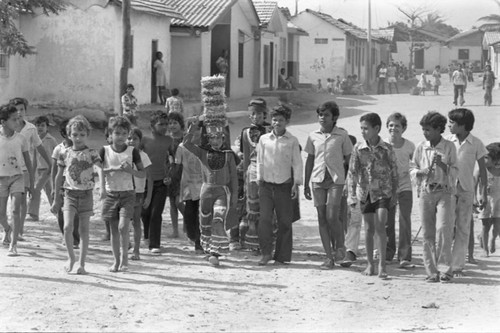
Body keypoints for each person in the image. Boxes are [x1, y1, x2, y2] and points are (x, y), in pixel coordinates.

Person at [347, 113, 398, 279]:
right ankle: (370, 264)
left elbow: (394, 173)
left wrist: (395, 194)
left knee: (381, 225)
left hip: (383, 192)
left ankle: (382, 265)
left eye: (366, 128)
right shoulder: (358, 149)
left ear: (376, 129)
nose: (363, 131)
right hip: (365, 193)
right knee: (368, 228)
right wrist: (351, 194)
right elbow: (353, 172)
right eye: (361, 128)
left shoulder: (387, 149)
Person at [304, 101, 353, 269]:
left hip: (336, 180)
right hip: (317, 180)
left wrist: (349, 182)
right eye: (320, 115)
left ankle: (340, 248)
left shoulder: (342, 135)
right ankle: (329, 257)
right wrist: (305, 184)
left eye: (326, 115)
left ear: (335, 118)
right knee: (322, 218)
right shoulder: (312, 136)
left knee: (333, 216)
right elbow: (310, 159)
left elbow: (349, 159)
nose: (322, 118)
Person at [410, 111, 458, 283]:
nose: (425, 133)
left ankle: (445, 269)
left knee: (443, 229)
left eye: (428, 129)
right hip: (426, 192)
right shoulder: (421, 147)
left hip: (445, 192)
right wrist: (420, 172)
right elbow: (412, 168)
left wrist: (443, 166)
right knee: (428, 233)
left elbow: (455, 171)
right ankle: (431, 271)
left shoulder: (449, 147)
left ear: (439, 129)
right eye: (423, 129)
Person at [182, 121, 238, 266]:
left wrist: (235, 197)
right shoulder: (202, 152)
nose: (216, 141)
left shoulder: (229, 155)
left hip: (221, 192)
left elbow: (233, 178)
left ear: (223, 139)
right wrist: (194, 127)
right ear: (208, 139)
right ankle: (209, 251)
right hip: (206, 191)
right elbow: (187, 143)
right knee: (205, 223)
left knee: (218, 219)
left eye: (219, 138)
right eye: (212, 138)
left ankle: (216, 252)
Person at [50, 115, 101, 274]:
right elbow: (59, 176)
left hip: (86, 195)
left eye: (82, 134)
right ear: (68, 134)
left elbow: (99, 168)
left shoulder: (92, 153)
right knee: (67, 227)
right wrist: (56, 198)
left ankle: (81, 263)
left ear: (87, 134)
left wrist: (102, 187)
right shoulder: (64, 153)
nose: (78, 138)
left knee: (84, 230)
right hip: (69, 195)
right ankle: (71, 257)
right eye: (75, 134)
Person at [256, 104, 303, 266]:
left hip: (284, 185)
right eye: (274, 120)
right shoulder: (263, 139)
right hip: (266, 185)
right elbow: (260, 161)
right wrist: (258, 180)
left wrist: (296, 184)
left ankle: (282, 255)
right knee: (264, 220)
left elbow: (297, 163)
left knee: (284, 221)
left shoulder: (292, 141)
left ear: (287, 121)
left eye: (281, 120)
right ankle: (266, 253)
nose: (277, 123)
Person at [99, 116, 145, 272]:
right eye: (117, 133)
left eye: (124, 133)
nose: (120, 137)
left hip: (128, 194)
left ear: (128, 134)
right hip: (111, 194)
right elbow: (98, 170)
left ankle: (125, 259)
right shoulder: (104, 150)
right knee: (113, 229)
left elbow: (142, 174)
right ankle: (116, 261)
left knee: (123, 226)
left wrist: (129, 170)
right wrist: (104, 183)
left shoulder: (133, 151)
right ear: (110, 134)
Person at [446, 108, 488, 277]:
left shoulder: (476, 143)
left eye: (452, 123)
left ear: (462, 126)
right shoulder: (447, 141)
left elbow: (483, 171)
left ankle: (457, 265)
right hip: (448, 189)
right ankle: (445, 262)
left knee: (463, 228)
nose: (449, 125)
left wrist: (483, 193)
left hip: (466, 190)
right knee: (447, 226)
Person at [10, 97, 51, 240]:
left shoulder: (30, 129)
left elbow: (39, 146)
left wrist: (49, 162)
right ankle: (8, 228)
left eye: (22, 109)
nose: (19, 112)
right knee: (6, 203)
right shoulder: (6, 127)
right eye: (16, 110)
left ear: (25, 111)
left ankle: (18, 231)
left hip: (24, 171)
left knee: (20, 202)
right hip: (6, 170)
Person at [0, 104, 34, 256]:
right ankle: (7, 230)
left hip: (18, 178)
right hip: (1, 179)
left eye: (19, 119)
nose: (18, 122)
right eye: (14, 120)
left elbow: (29, 162)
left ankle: (13, 245)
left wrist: (31, 184)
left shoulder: (21, 139)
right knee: (1, 214)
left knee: (15, 210)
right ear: (3, 122)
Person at [238, 98, 271, 251]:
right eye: (253, 114)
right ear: (249, 116)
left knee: (267, 207)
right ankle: (252, 241)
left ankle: (268, 240)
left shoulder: (271, 131)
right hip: (251, 173)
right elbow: (245, 155)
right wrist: (244, 175)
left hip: (269, 172)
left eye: (259, 114)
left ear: (264, 115)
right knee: (252, 205)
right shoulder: (245, 132)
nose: (256, 117)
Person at [384, 113, 415, 267]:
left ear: (403, 128)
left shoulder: (410, 146)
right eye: (391, 125)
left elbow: (415, 167)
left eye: (397, 126)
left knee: (404, 220)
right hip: (386, 188)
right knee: (387, 222)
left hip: (405, 187)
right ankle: (388, 253)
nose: (393, 128)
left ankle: (404, 257)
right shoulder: (382, 145)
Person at [141, 111, 173, 254]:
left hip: (161, 182)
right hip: (145, 182)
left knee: (156, 213)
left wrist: (170, 174)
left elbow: (175, 160)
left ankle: (155, 244)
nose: (164, 127)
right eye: (161, 124)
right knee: (145, 212)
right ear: (152, 126)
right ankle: (147, 236)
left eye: (166, 124)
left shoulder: (169, 141)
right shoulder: (144, 140)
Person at [51, 119, 80, 247]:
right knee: (61, 211)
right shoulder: (59, 149)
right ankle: (65, 236)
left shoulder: (79, 148)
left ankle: (75, 237)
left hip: (75, 183)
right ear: (65, 134)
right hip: (62, 182)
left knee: (75, 211)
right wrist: (54, 188)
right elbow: (54, 170)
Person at [175, 125, 204, 254]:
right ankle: (192, 235)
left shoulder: (206, 146)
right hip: (188, 185)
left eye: (198, 129)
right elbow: (177, 165)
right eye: (192, 129)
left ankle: (200, 242)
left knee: (201, 215)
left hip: (204, 185)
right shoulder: (182, 147)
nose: (195, 132)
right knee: (190, 213)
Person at [127, 127, 153, 261]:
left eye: (135, 139)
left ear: (140, 141)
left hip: (138, 193)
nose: (131, 141)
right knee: (124, 221)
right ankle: (126, 244)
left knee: (136, 221)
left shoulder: (143, 156)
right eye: (129, 138)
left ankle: (136, 250)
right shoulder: (122, 154)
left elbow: (149, 177)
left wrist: (148, 197)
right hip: (123, 191)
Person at [27, 116, 57, 221]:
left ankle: (33, 214)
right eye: (38, 125)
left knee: (35, 190)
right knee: (49, 191)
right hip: (38, 170)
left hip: (48, 169)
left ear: (47, 127)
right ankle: (58, 211)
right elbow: (34, 158)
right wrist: (33, 171)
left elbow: (57, 155)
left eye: (43, 125)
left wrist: (54, 168)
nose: (40, 127)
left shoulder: (51, 140)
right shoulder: (34, 140)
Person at [476, 142, 500, 257]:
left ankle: (493, 239)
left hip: (498, 201)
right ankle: (485, 249)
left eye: (487, 158)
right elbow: (474, 184)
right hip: (485, 201)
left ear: (495, 160)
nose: (484, 160)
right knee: (485, 226)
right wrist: (475, 198)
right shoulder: (481, 170)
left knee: (497, 226)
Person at [166, 111, 185, 238]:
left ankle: (189, 219)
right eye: (170, 123)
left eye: (175, 122)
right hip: (170, 172)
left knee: (180, 202)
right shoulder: (167, 140)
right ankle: (175, 230)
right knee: (172, 203)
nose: (172, 125)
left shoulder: (186, 138)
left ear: (180, 124)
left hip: (184, 172)